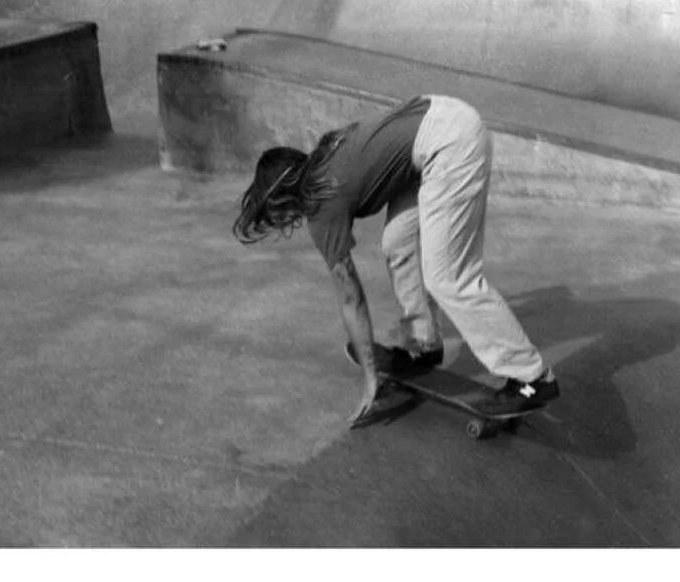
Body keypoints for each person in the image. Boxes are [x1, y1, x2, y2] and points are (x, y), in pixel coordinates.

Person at [232, 95, 559, 428]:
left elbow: (351, 298)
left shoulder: (321, 205)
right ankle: (423, 343)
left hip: (448, 143)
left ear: (283, 197)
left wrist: (371, 380)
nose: (283, 220)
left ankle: (531, 378)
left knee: (448, 277)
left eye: (275, 212)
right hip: (438, 123)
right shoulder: (329, 152)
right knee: (397, 243)